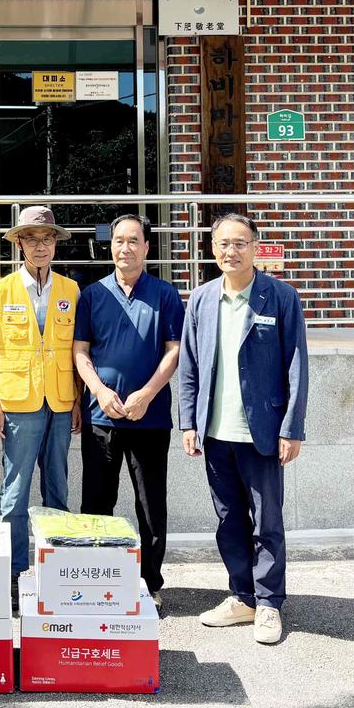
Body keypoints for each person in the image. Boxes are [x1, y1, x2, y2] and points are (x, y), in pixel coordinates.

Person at [178, 212, 309, 645]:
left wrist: (292, 429)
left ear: (255, 247)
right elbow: (190, 367)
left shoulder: (280, 296)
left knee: (267, 519)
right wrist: (190, 422)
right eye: (223, 244)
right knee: (229, 519)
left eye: (240, 243)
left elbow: (297, 366)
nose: (230, 251)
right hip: (215, 432)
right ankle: (242, 597)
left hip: (264, 432)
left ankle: (269, 602)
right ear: (212, 249)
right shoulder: (200, 299)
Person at [72, 214, 184, 612]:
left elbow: (174, 351)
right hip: (102, 417)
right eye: (119, 241)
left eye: (133, 241)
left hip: (149, 419)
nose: (125, 248)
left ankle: (151, 581)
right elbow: (80, 352)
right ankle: (95, 579)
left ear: (147, 247)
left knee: (151, 504)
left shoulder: (165, 294)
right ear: (111, 246)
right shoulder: (92, 294)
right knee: (97, 503)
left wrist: (147, 394)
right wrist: (98, 391)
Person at [0, 206, 81, 611]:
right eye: (32, 239)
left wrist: (75, 398)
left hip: (59, 401)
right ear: (19, 243)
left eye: (47, 239)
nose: (40, 247)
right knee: (15, 491)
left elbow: (77, 350)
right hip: (18, 401)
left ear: (55, 242)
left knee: (57, 487)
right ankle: (14, 574)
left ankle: (55, 571)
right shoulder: (2, 289)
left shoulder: (71, 290)